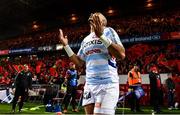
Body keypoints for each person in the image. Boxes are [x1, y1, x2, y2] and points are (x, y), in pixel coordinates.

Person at [59, 12, 125, 115]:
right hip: (90, 85)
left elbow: (121, 54)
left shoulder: (109, 31)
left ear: (103, 22)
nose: (94, 14)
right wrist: (66, 46)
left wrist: (101, 36)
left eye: (97, 15)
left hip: (107, 83)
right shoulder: (86, 39)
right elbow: (79, 63)